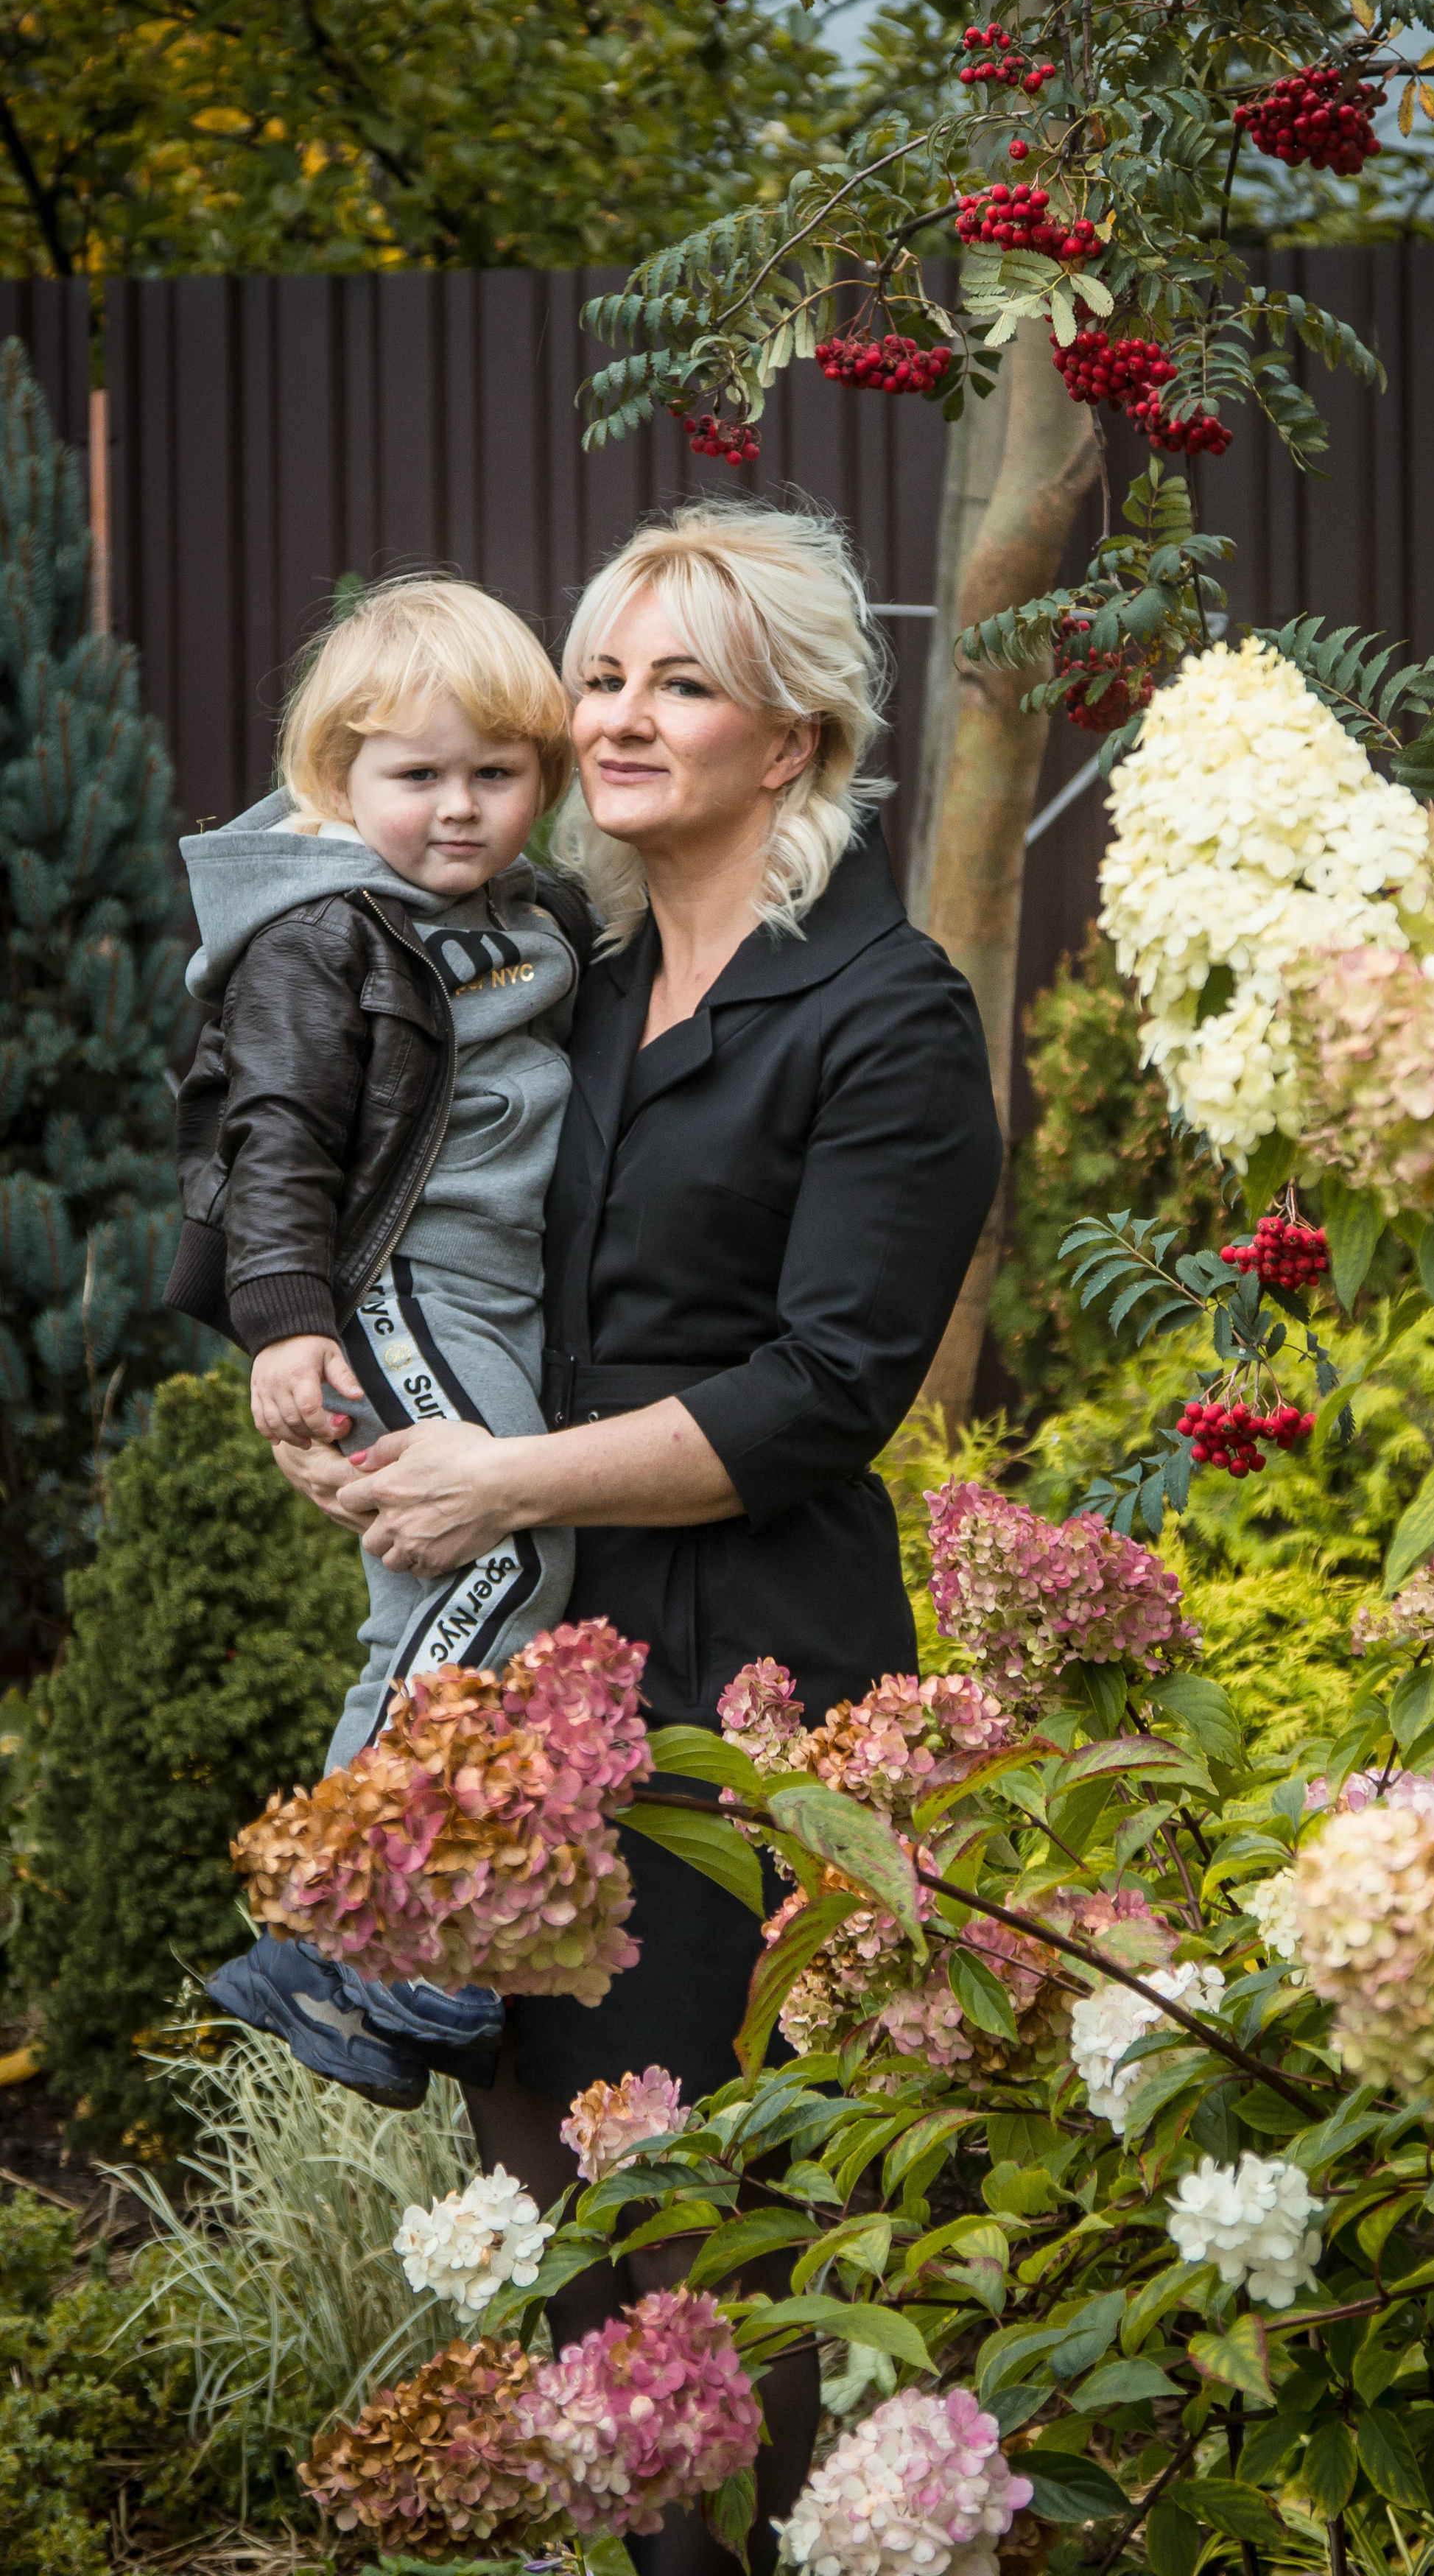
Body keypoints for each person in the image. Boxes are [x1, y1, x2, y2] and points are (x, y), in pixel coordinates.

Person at [274, 501, 1002, 2569]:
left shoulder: (885, 1013)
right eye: (601, 675)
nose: (616, 715)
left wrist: (505, 1482)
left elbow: (825, 1392)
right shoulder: (558, 981)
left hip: (744, 1689)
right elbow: (392, 1221)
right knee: (556, 2209)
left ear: (795, 740)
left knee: (709, 2229)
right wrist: (339, 1408)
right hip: (521, 1670)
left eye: (681, 683)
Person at [164, 576, 594, 2104]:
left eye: (497, 772)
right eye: (418, 775)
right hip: (402, 1290)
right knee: (501, 1561)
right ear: (334, 777)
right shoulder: (321, 933)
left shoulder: (533, 919)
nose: (460, 809)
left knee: (440, 1593)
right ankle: (354, 1912)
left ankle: (368, 1946)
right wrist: (286, 1327)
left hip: (503, 1303)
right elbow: (274, 1136)